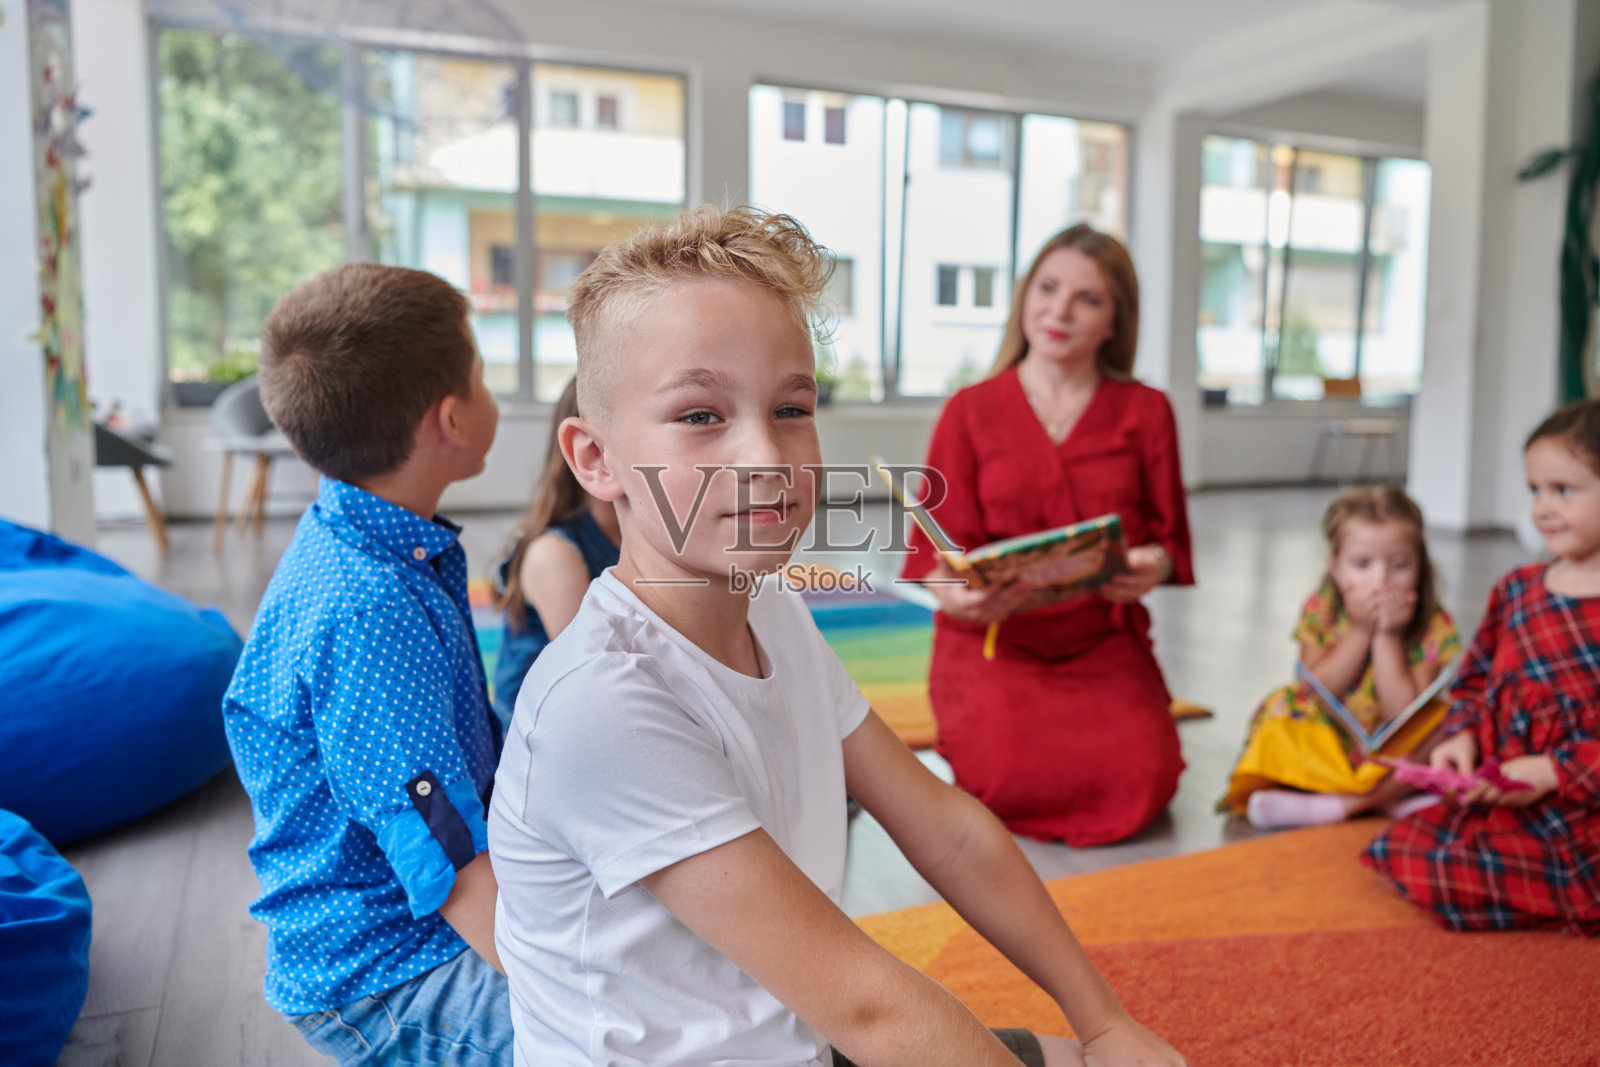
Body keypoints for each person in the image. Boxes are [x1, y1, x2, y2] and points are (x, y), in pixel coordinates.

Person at [487, 205, 1187, 1067]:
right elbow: (868, 1008)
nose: (766, 457)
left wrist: (1104, 1019)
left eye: (791, 406)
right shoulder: (601, 700)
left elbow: (947, 827)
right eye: (701, 415)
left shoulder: (771, 606)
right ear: (595, 459)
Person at [221, 263, 511, 1063]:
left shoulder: (374, 539)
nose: (491, 395)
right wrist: (559, 982)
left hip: (421, 918)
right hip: (387, 969)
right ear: (451, 419)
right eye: (483, 377)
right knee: (634, 1029)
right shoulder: (365, 609)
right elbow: (439, 841)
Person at [899, 224, 1193, 847]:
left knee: (1146, 778)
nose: (1059, 310)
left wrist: (1152, 566)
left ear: (1115, 321)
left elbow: (1169, 540)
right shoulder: (968, 410)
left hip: (1099, 641)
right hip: (993, 640)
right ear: (1025, 296)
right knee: (1003, 778)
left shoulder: (1147, 411)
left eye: (1087, 299)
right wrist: (956, 597)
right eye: (1048, 288)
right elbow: (935, 553)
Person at [1362, 401, 1600, 935]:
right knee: (1410, 850)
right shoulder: (1516, 590)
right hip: (1511, 800)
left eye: (1564, 491)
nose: (1543, 508)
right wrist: (1462, 736)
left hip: (1586, 806)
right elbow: (1473, 681)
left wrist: (1552, 771)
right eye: (1534, 491)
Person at [1221, 486, 1461, 830]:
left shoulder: (1433, 621)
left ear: (1419, 566)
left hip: (1393, 748)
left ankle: (1349, 804)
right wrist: (1361, 631)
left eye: (1399, 565)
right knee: (1283, 705)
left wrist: (1387, 635)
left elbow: (1405, 713)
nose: (1380, 580)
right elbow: (1316, 688)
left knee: (1448, 719)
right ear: (1334, 567)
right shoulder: (1322, 609)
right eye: (1362, 565)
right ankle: (1388, 798)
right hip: (1331, 741)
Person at [489, 376, 619, 731]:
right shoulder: (553, 554)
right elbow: (600, 682)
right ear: (592, 453)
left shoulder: (640, 536)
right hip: (534, 746)